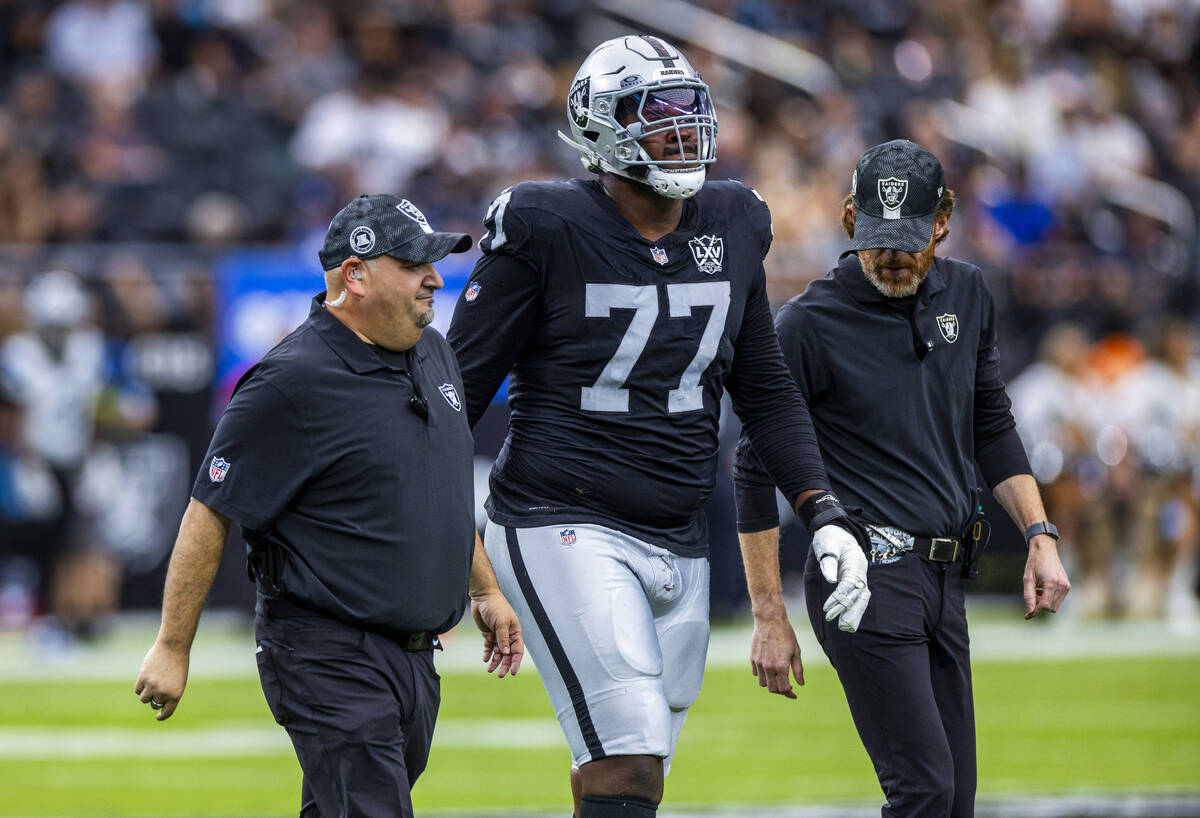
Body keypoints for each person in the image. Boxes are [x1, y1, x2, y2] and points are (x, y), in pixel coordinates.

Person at [447, 35, 870, 818]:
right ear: (601, 128)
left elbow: (767, 391)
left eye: (689, 112)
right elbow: (451, 396)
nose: (681, 132)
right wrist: (460, 556)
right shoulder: (546, 223)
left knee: (622, 764)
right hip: (558, 514)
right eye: (657, 115)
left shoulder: (736, 218)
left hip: (678, 529)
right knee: (630, 755)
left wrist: (822, 508)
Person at [134, 194, 524, 818]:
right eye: (415, 263)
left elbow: (440, 492)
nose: (435, 277)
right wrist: (173, 646)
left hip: (415, 652)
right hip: (326, 649)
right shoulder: (289, 382)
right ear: (356, 274)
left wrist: (484, 588)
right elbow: (210, 508)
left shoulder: (435, 352)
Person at [735, 139, 1072, 818]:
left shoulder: (970, 294)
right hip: (864, 573)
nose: (892, 254)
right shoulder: (805, 325)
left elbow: (991, 426)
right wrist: (769, 614)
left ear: (944, 218)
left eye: (910, 238)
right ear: (850, 218)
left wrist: (1039, 533)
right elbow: (751, 464)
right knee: (924, 790)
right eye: (879, 237)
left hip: (946, 575)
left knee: (955, 802)